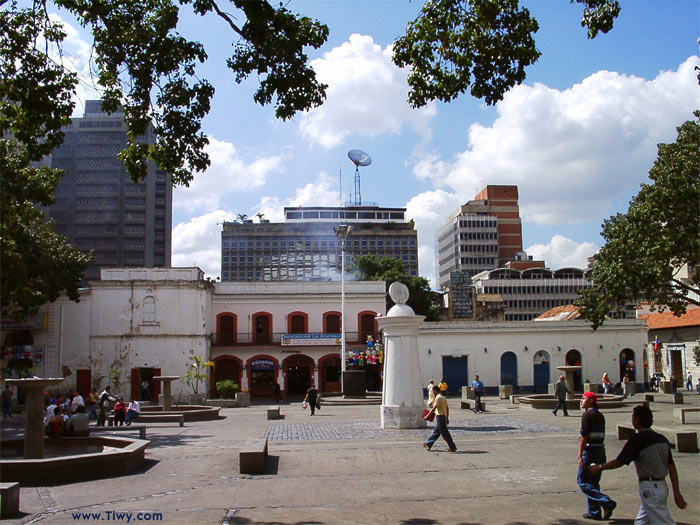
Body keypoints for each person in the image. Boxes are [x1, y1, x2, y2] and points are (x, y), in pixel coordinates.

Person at [589, 405, 687, 524]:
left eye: (633, 417)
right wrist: (677, 492)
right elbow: (671, 467)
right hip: (660, 486)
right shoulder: (662, 439)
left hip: (650, 487)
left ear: (638, 420)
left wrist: (599, 467)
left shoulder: (638, 439)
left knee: (663, 522)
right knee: (641, 522)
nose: (632, 420)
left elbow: (619, 461)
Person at [577, 391, 617, 521]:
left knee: (583, 481)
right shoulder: (600, 415)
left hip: (590, 452)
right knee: (593, 482)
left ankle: (606, 501)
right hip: (600, 451)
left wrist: (579, 455)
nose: (581, 401)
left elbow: (584, 436)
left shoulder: (587, 415)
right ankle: (594, 512)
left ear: (591, 401)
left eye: (584, 399)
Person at [422, 386, 457, 452]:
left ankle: (452, 447)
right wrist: (447, 418)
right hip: (443, 416)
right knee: (436, 432)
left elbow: (434, 408)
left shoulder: (438, 398)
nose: (433, 393)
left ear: (435, 391)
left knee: (445, 433)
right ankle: (428, 444)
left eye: (433, 391)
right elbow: (447, 408)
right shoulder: (443, 398)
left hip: (440, 417)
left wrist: (427, 416)